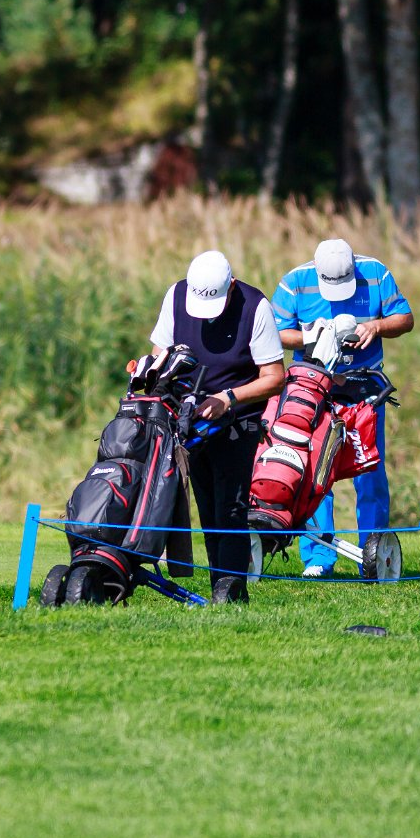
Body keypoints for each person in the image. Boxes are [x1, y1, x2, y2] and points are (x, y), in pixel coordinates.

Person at [144, 250, 285, 601]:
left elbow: (274, 378)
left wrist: (228, 399)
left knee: (231, 509)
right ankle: (219, 591)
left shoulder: (256, 307)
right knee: (207, 508)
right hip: (187, 418)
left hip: (238, 421)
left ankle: (233, 592)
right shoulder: (177, 295)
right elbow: (159, 353)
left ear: (232, 286)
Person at [272, 238, 415, 577]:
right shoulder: (294, 282)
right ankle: (319, 558)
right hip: (314, 390)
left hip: (365, 391)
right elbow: (276, 332)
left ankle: (375, 554)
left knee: (370, 474)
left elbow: (405, 318)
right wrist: (310, 336)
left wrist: (376, 326)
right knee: (316, 474)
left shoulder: (376, 273)